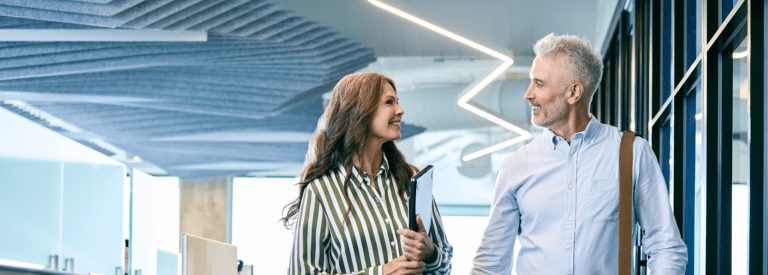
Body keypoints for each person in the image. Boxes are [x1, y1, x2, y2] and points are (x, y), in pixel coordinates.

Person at [471, 34, 688, 274]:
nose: (528, 94)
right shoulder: (516, 165)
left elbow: (666, 247)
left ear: (574, 93)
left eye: (539, 83)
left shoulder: (632, 153)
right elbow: (490, 263)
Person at [283, 72, 452, 274]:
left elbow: (445, 266)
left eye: (397, 102)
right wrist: (380, 273)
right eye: (389, 102)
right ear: (360, 111)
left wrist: (431, 253)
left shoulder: (412, 178)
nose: (400, 110)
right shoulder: (321, 191)